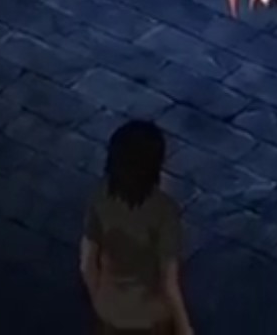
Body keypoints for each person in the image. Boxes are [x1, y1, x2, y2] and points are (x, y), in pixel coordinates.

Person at [81, 121, 193, 335]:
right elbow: (169, 284)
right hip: (151, 319)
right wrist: (184, 328)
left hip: (110, 313)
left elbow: (87, 265)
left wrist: (101, 301)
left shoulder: (100, 199)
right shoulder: (164, 211)